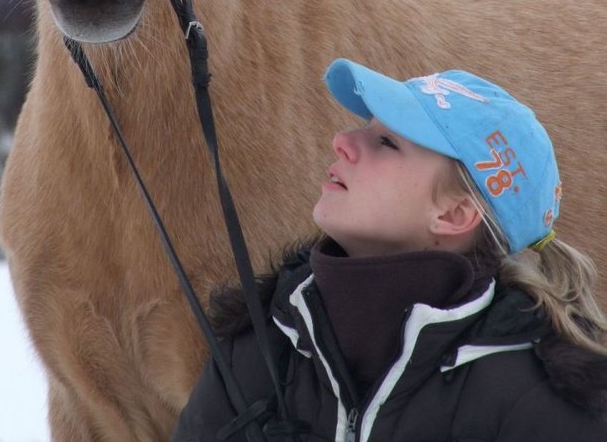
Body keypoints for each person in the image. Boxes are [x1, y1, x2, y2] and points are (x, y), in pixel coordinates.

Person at [173, 60, 607, 441]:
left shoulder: (543, 399)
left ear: (455, 215)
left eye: (386, 143)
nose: (342, 139)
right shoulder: (265, 341)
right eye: (366, 127)